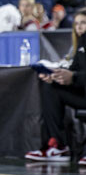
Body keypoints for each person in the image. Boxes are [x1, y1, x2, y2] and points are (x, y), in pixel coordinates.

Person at [25, 9, 86, 165]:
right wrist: (56, 76)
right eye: (76, 23)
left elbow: (76, 75)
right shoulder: (80, 44)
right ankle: (57, 145)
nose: (79, 27)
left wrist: (73, 77)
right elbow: (74, 69)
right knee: (50, 87)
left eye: (83, 23)